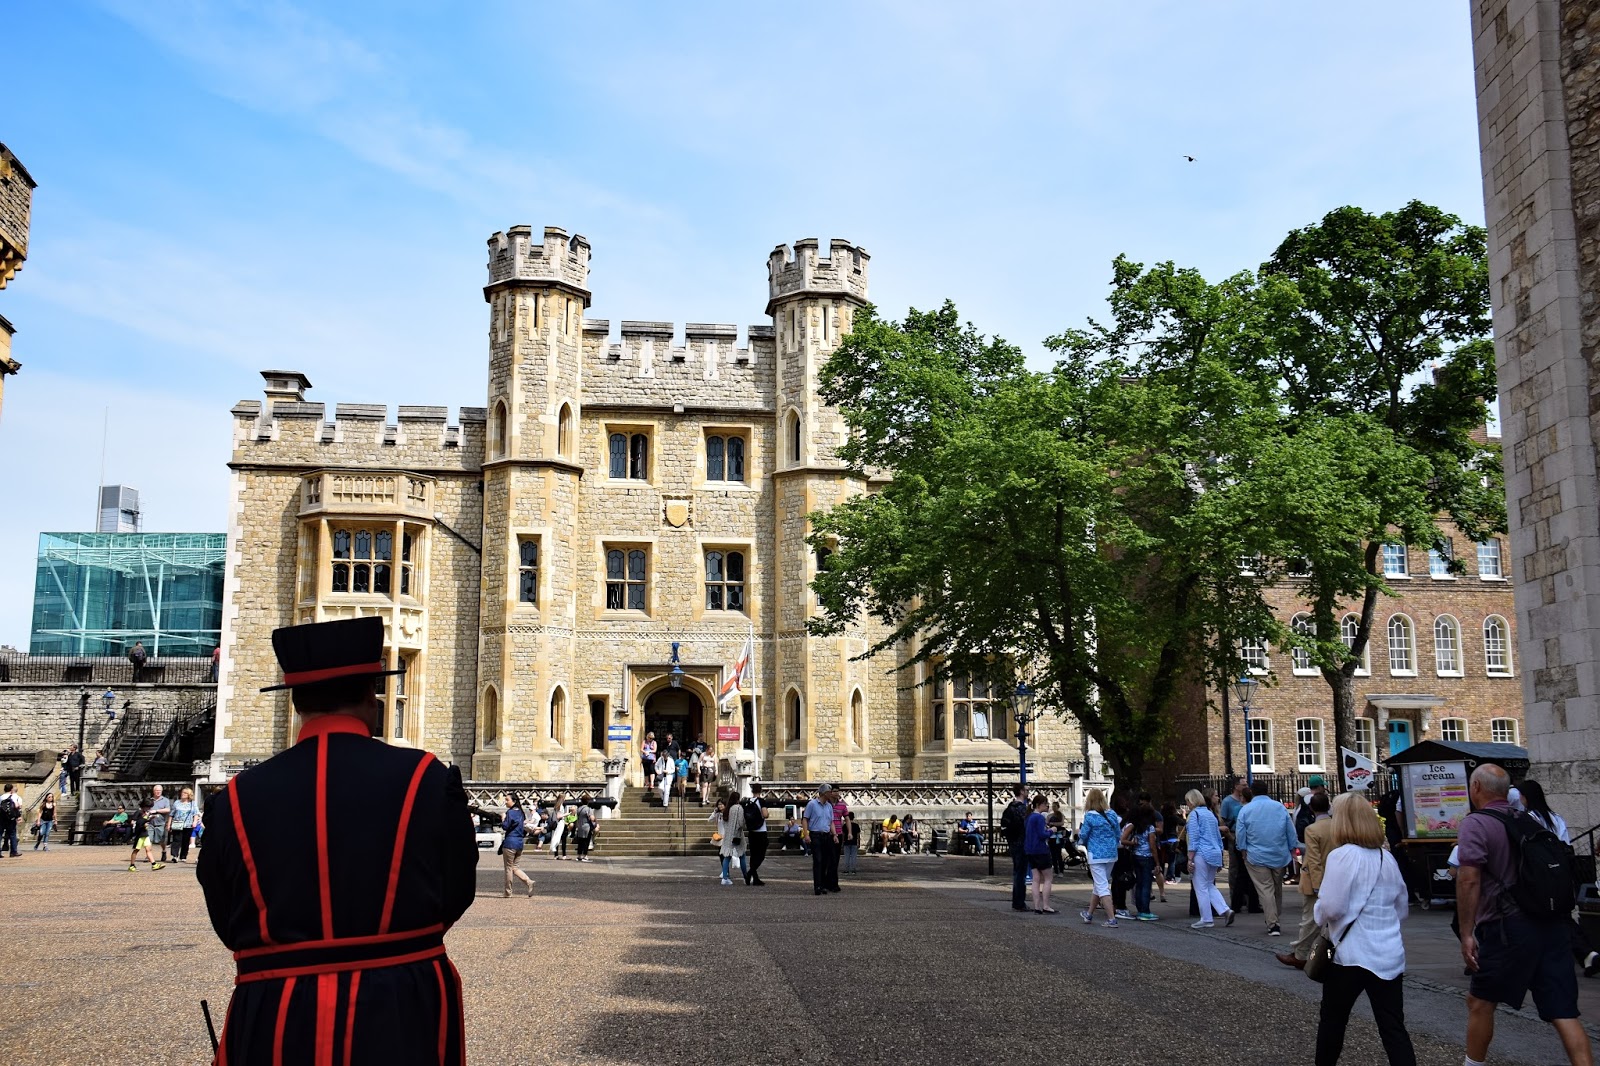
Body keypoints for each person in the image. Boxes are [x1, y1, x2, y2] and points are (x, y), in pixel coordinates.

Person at [196, 615, 478, 1065]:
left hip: (275, 1006)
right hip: (400, 1002)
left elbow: (226, 915)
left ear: (295, 703)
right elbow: (458, 889)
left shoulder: (234, 798)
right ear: (372, 694)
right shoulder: (426, 779)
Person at [1457, 763, 1593, 1066]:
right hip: (1553, 924)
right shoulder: (1531, 822)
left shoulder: (1476, 824)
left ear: (1476, 788)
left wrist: (1467, 933)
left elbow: (1469, 879)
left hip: (1508, 928)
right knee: (1564, 1012)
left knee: (1480, 1001)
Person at [1311, 791, 1416, 1065]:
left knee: (1333, 1022)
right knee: (1393, 1028)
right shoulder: (1386, 859)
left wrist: (1318, 911)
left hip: (1351, 954)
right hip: (1388, 954)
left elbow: (1331, 908)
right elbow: (1401, 908)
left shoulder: (1342, 856)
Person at [1278, 790, 1334, 968]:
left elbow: (1314, 860)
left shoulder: (1312, 829)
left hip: (1315, 881)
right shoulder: (1337, 826)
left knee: (1309, 920)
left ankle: (1301, 954)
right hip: (1335, 878)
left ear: (1311, 808)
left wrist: (1317, 886)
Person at [1235, 784, 1299, 937]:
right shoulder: (1279, 807)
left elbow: (1240, 833)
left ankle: (1273, 923)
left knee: (1265, 889)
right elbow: (1290, 830)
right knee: (1276, 888)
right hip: (1279, 853)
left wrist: (1243, 850)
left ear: (1252, 792)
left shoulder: (1246, 810)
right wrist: (1292, 849)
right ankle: (1274, 916)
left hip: (1256, 855)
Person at [1184, 788, 1232, 928]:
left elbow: (1194, 838)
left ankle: (1206, 918)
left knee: (1200, 887)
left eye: (1187, 801)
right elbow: (1217, 836)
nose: (1187, 804)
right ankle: (1225, 910)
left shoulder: (1194, 815)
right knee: (1209, 884)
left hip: (1201, 853)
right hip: (1214, 852)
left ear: (1192, 800)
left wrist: (1190, 858)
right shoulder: (1210, 814)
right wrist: (1220, 856)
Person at [1079, 788, 1122, 927]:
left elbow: (1084, 835)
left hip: (1096, 854)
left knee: (1102, 886)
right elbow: (1117, 833)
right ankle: (1089, 914)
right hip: (1111, 854)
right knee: (1099, 885)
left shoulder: (1090, 816)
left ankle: (1111, 919)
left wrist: (1082, 843)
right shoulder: (1112, 814)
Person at [1220, 776, 1262, 916]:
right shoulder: (1228, 802)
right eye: (1243, 784)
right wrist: (1231, 838)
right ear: (1236, 786)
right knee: (1236, 871)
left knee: (1243, 874)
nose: (1245, 786)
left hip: (1243, 840)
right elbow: (1224, 822)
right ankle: (1240, 900)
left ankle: (1242, 901)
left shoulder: (1246, 807)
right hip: (1236, 838)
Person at [1120, 795, 1162, 921]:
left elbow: (1123, 840)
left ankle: (1140, 909)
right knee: (1146, 885)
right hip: (1147, 857)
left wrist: (1133, 844)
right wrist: (1157, 862)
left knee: (1139, 884)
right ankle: (1145, 910)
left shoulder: (1135, 826)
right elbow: (1152, 846)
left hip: (1135, 856)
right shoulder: (1150, 828)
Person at [803, 784, 839, 896]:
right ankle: (817, 886)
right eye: (829, 792)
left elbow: (831, 822)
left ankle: (823, 884)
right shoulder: (812, 804)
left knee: (825, 861)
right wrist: (806, 834)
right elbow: (805, 819)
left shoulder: (829, 806)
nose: (831, 794)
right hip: (815, 835)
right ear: (824, 793)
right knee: (818, 860)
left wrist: (834, 834)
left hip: (826, 835)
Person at [1024, 795, 1056, 914]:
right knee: (1048, 878)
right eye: (1045, 803)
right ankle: (1046, 905)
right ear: (1038, 805)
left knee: (1036, 879)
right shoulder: (1039, 818)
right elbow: (1042, 835)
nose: (1047, 806)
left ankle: (1037, 906)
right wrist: (1051, 831)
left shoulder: (1029, 817)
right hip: (1041, 850)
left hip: (1030, 850)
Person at [1001, 784, 1030, 912]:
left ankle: (1017, 901)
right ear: (1021, 792)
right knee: (1020, 873)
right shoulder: (1022, 809)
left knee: (1017, 872)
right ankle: (1019, 902)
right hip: (1022, 843)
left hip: (1013, 843)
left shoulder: (1010, 808)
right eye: (1027, 790)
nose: (1028, 792)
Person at [500, 793, 535, 897]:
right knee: (515, 867)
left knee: (508, 868)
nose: (506, 802)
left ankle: (508, 892)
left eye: (507, 800)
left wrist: (503, 818)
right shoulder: (520, 812)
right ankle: (528, 881)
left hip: (510, 842)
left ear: (514, 801)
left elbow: (505, 826)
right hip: (519, 843)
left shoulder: (510, 813)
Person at [711, 793, 748, 886]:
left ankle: (725, 877)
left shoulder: (727, 809)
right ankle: (746, 876)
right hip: (737, 835)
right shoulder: (738, 808)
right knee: (742, 855)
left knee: (727, 856)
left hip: (727, 835)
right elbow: (740, 822)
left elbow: (724, 822)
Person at [741, 784, 769, 886]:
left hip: (751, 831)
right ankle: (750, 873)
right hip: (761, 831)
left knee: (753, 855)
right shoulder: (761, 801)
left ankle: (755, 878)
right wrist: (767, 814)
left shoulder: (748, 802)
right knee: (761, 855)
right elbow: (765, 814)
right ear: (760, 791)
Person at [128, 798, 162, 871]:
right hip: (139, 834)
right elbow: (135, 822)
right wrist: (146, 818)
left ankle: (154, 864)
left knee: (148, 849)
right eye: (148, 807)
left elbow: (145, 821)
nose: (149, 809)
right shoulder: (139, 812)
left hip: (145, 833)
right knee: (136, 850)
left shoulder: (145, 812)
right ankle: (132, 865)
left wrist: (150, 818)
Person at [168, 787, 198, 863]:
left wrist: (195, 821)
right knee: (176, 840)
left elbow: (195, 813)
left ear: (189, 795)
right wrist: (169, 824)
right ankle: (175, 855)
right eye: (182, 792)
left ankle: (183, 856)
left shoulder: (192, 803)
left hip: (188, 825)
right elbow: (171, 814)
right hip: (177, 824)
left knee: (185, 841)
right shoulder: (177, 803)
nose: (183, 794)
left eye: (185, 793)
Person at [146, 784, 172, 863]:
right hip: (150, 822)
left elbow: (168, 810)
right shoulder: (149, 800)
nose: (158, 792)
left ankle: (164, 851)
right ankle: (148, 855)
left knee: (161, 841)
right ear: (153, 791)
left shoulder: (165, 800)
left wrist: (156, 811)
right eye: (156, 791)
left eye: (159, 791)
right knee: (148, 840)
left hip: (160, 823)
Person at [574, 794, 597, 862]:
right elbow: (592, 818)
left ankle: (579, 856)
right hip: (587, 827)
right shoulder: (588, 809)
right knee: (586, 842)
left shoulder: (579, 809)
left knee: (580, 842)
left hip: (580, 826)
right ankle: (585, 856)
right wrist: (595, 819)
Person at [0, 784, 22, 857]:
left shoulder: (1, 797)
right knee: (12, 834)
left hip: (2, 818)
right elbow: (17, 806)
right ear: (11, 789)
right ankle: (13, 852)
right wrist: (18, 816)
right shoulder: (14, 797)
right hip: (11, 818)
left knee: (0, 834)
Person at [1047, 802, 1068, 874]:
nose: (1053, 807)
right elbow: (1047, 823)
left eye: (1055, 806)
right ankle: (1056, 870)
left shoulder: (1060, 815)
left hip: (1058, 836)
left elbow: (1061, 823)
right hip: (1052, 837)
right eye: (1052, 806)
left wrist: (1052, 824)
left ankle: (1061, 870)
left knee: (1058, 854)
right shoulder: (1050, 815)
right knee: (1053, 854)